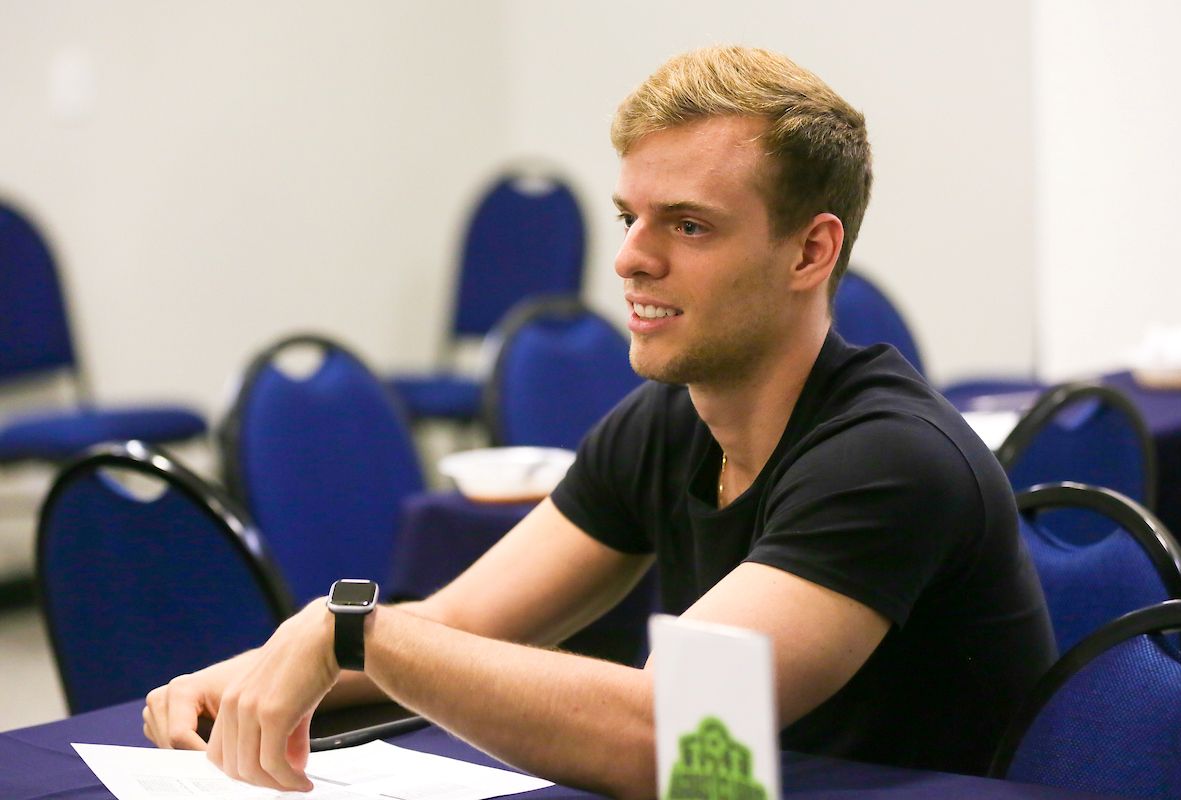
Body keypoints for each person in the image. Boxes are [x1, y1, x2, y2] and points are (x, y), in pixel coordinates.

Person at [143, 45, 1055, 797]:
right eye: (629, 216)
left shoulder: (889, 457)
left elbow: (677, 740)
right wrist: (241, 681)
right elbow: (463, 623)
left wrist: (354, 630)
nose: (628, 258)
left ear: (811, 250)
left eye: (687, 226)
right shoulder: (667, 423)